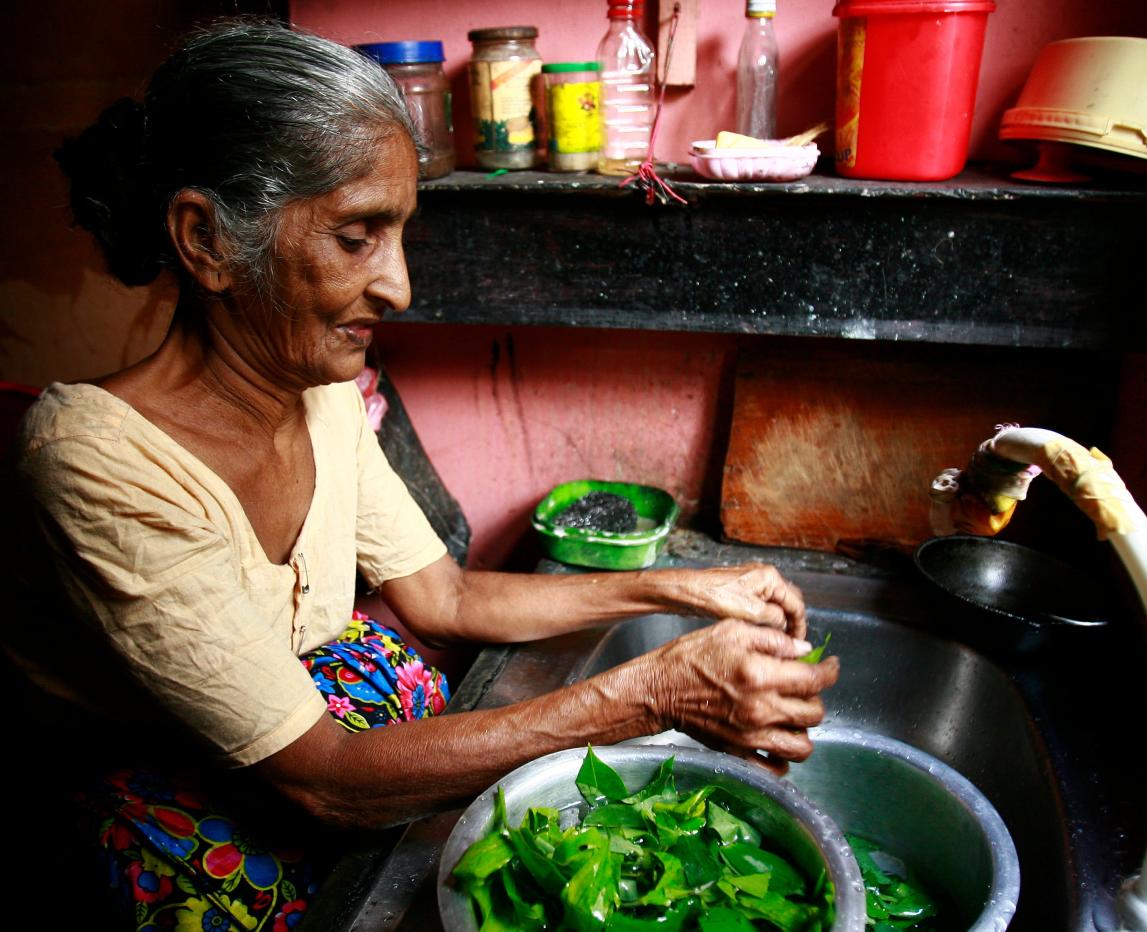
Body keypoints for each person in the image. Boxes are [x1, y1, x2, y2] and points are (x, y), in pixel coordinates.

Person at [9, 18, 840, 930]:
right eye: (357, 237)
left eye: (398, 234)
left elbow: (445, 597)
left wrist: (683, 590)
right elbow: (320, 780)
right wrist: (651, 695)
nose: (399, 287)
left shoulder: (317, 389)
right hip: (168, 795)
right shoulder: (95, 460)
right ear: (207, 239)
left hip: (306, 745)